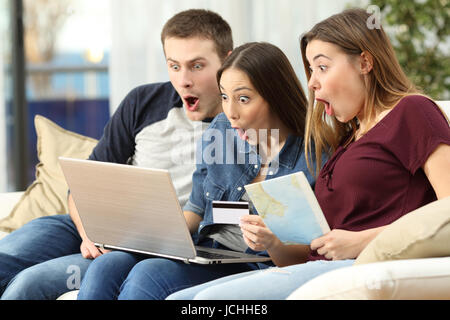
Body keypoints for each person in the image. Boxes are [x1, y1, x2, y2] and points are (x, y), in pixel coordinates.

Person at [167, 7, 450, 300]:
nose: (312, 83)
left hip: (358, 268)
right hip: (317, 269)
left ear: (364, 62)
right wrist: (273, 242)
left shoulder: (413, 111)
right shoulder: (346, 140)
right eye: (311, 70)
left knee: (204, 303)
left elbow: (447, 213)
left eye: (322, 67)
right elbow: (308, 254)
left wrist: (360, 241)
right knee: (178, 299)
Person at [0, 9, 233, 300]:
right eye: (174, 66)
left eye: (197, 66)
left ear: (227, 59)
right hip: (85, 225)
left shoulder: (242, 126)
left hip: (147, 245)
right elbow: (80, 186)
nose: (184, 80)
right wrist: (88, 234)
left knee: (29, 285)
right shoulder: (144, 101)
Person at [76, 41, 317, 300]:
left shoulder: (311, 157)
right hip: (212, 253)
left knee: (149, 274)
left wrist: (271, 242)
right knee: (106, 266)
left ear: (276, 96)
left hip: (263, 267)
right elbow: (196, 209)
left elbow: (302, 258)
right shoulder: (222, 129)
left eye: (243, 99)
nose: (231, 112)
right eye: (225, 96)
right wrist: (139, 235)